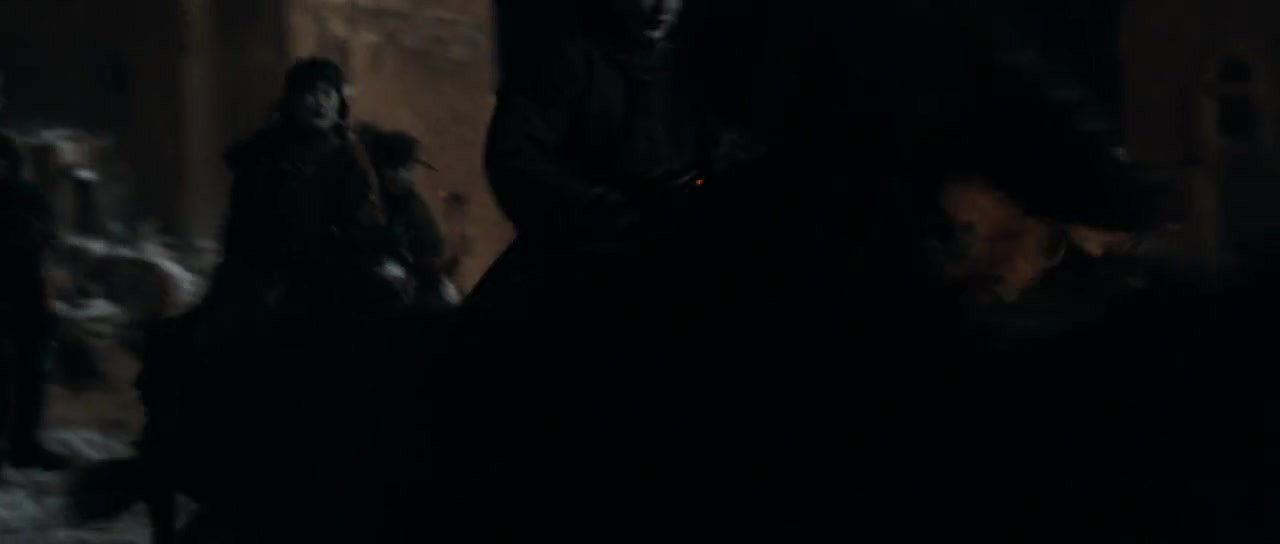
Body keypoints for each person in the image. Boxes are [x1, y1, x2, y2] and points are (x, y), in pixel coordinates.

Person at [0, 96, 69, 471]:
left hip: (24, 281)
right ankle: (19, 443)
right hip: (17, 281)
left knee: (30, 364)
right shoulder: (21, 185)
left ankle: (24, 443)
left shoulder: (23, 187)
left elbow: (47, 233)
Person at [356, 124, 460, 310]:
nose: (413, 174)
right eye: (409, 167)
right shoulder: (365, 196)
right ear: (389, 170)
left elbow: (432, 247)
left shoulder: (411, 204)